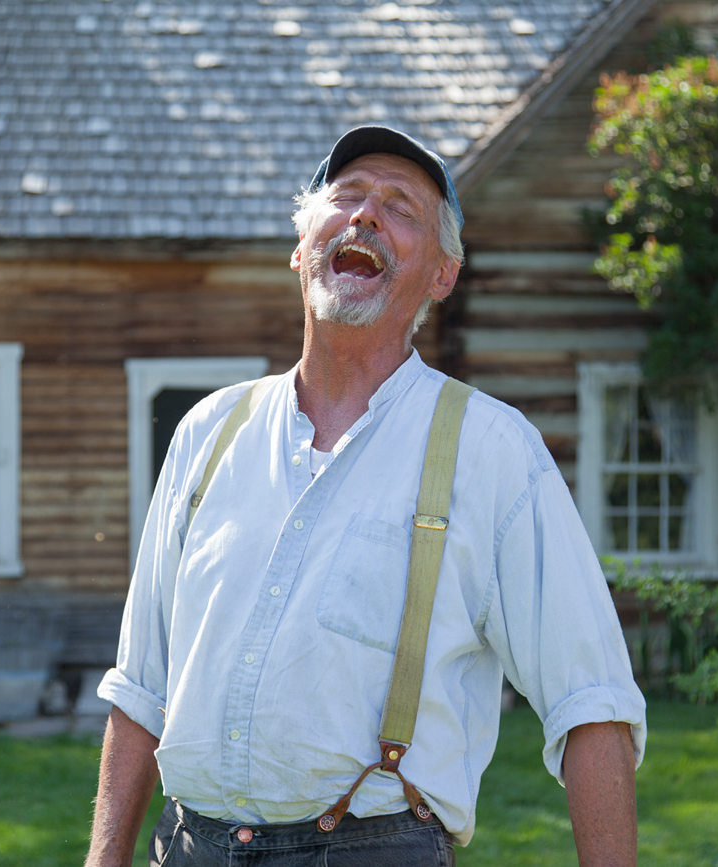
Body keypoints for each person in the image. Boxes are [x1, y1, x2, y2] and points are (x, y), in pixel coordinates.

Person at [84, 126, 646, 867]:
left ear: (442, 276)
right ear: (299, 246)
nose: (366, 216)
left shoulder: (491, 450)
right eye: (346, 196)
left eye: (401, 208)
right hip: (188, 846)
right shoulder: (208, 432)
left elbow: (591, 704)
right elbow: (140, 688)